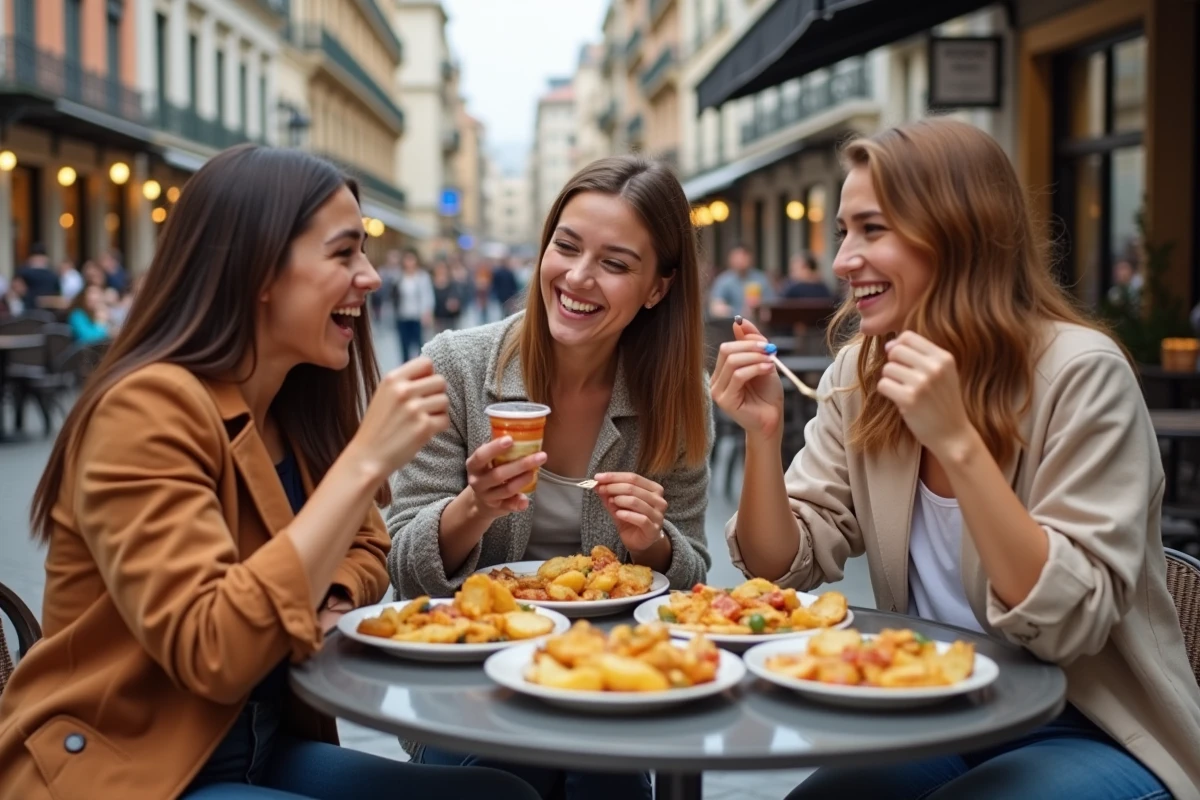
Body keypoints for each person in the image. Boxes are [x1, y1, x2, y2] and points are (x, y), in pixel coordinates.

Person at [0, 146, 541, 800]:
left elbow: (368, 545)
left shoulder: (292, 399)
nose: (371, 277)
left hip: (258, 747)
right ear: (258, 268)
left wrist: (328, 596)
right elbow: (214, 653)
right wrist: (366, 460)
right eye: (343, 254)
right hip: (128, 768)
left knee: (503, 794)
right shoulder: (145, 408)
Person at [712, 118, 1200, 800]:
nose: (843, 260)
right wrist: (763, 437)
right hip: (941, 709)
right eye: (845, 231)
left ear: (959, 234)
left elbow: (1063, 624)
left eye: (872, 229)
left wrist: (957, 441)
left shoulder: (1082, 373)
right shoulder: (862, 372)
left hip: (1092, 723)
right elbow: (776, 563)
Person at [387, 155, 713, 800]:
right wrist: (474, 507)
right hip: (468, 674)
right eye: (566, 247)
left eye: (615, 263)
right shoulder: (455, 367)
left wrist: (653, 542)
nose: (578, 276)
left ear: (657, 288)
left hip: (604, 678)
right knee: (507, 777)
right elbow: (403, 569)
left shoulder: (679, 397)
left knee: (608, 783)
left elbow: (692, 583)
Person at [708, 244, 773, 319]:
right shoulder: (724, 280)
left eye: (744, 257)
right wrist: (735, 313)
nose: (740, 261)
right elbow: (715, 306)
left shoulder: (760, 279)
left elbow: (771, 303)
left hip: (757, 322)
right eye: (737, 257)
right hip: (732, 322)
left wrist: (760, 308)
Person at [395, 249, 434, 362]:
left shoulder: (422, 276)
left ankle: (420, 366)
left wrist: (427, 312)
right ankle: (406, 366)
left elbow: (427, 295)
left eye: (411, 259)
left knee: (419, 344)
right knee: (404, 344)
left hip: (417, 316)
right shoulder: (399, 277)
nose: (409, 262)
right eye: (407, 260)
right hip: (403, 315)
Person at [16, 242, 60, 308]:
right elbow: (58, 292)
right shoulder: (53, 274)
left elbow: (18, 289)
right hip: (49, 309)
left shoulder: (24, 272)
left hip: (29, 308)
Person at [431, 259, 466, 333]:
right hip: (437, 320)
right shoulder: (431, 284)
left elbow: (459, 299)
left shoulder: (453, 284)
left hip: (451, 319)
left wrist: (455, 304)